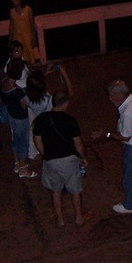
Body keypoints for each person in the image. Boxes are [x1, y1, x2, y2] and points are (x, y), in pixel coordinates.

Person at [92, 80, 132, 214]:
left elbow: (125, 137)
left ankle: (130, 205)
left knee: (130, 175)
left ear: (119, 95)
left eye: (111, 95)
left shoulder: (127, 113)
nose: (110, 98)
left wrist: (106, 134)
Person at [33, 91, 91, 228]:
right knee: (75, 190)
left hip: (51, 160)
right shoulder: (70, 120)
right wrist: (83, 158)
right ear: (65, 103)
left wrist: (44, 153)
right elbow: (78, 144)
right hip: (69, 161)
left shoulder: (42, 119)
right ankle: (78, 217)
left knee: (56, 190)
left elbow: (37, 139)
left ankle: (60, 220)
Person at [25, 64, 73, 161]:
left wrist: (45, 74)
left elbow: (34, 85)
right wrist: (64, 74)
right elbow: (69, 93)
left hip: (39, 118)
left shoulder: (26, 97)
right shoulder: (48, 100)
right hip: (49, 121)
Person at [0, 59, 37, 178]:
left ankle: (16, 163)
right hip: (21, 118)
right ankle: (22, 169)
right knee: (23, 142)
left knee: (15, 139)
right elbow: (26, 103)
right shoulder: (17, 92)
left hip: (12, 116)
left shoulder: (4, 82)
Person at [8, 0, 40, 64]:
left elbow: (32, 24)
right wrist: (10, 39)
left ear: (20, 0)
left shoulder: (28, 10)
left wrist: (34, 38)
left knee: (30, 56)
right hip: (17, 37)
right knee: (19, 55)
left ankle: (31, 70)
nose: (14, 1)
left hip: (27, 36)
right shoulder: (12, 11)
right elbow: (11, 26)